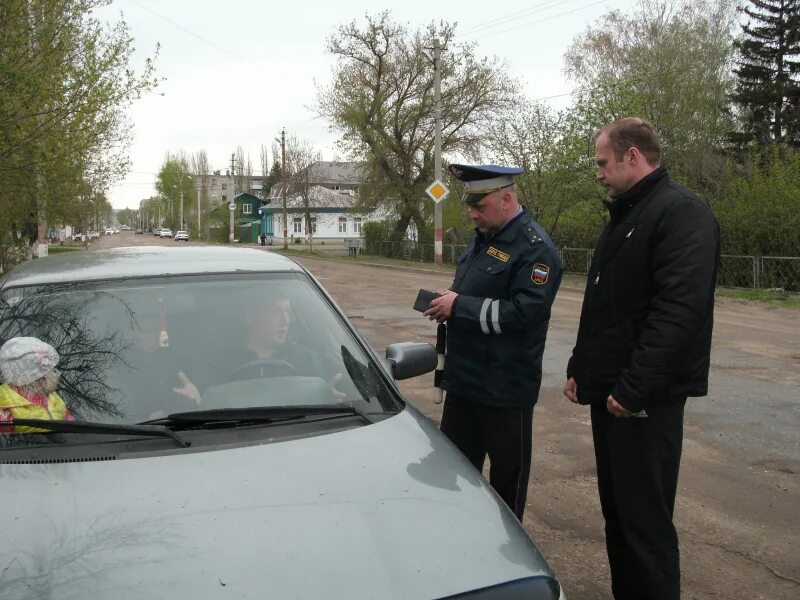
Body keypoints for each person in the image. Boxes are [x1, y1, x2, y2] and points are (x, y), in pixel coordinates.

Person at [563, 118, 720, 600]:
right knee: (619, 517)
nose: (598, 173)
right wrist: (580, 369)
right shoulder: (627, 215)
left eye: (603, 162)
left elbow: (678, 314)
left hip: (643, 401)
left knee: (645, 524)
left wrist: (633, 391)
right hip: (611, 395)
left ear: (633, 157)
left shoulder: (681, 214)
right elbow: (606, 307)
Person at [423, 163, 562, 521]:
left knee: (506, 485)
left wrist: (461, 307)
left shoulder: (536, 250)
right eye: (470, 206)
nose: (471, 215)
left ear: (506, 199)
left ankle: (508, 555)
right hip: (464, 382)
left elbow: (523, 313)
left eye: (478, 207)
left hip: (504, 389)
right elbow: (474, 290)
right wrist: (449, 300)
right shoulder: (483, 238)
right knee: (454, 475)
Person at [0, 337, 75, 433]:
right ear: (34, 378)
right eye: (52, 371)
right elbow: (6, 441)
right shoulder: (4, 403)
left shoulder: (54, 399)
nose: (59, 374)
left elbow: (71, 430)